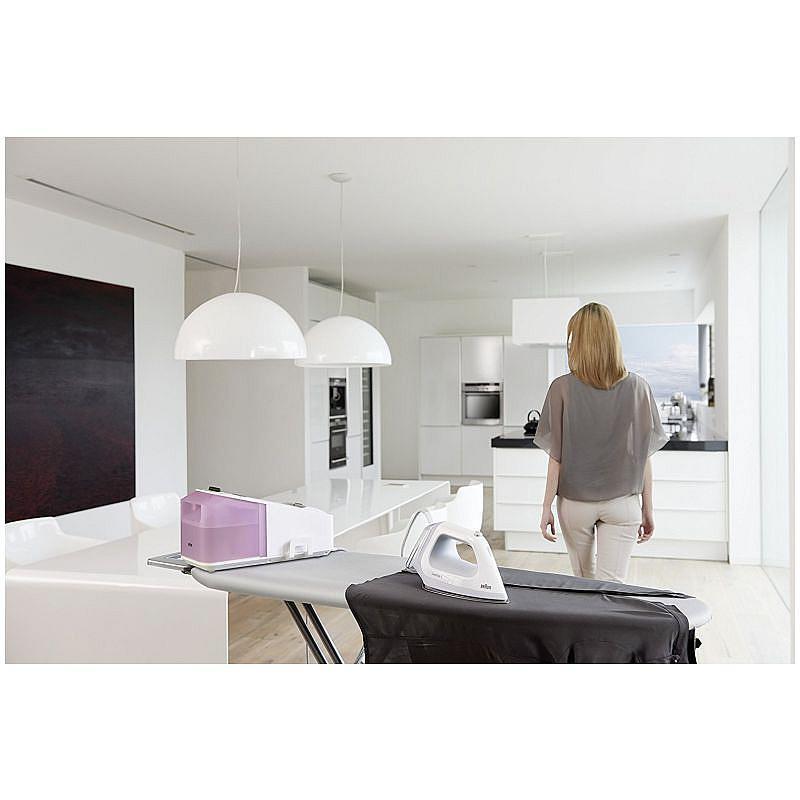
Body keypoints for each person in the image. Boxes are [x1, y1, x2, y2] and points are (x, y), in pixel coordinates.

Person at [534, 302, 668, 582]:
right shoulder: (638, 387)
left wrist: (546, 507)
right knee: (612, 588)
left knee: (584, 583)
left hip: (575, 505)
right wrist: (648, 508)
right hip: (624, 504)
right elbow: (643, 457)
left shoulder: (561, 388)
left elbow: (556, 457)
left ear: (578, 342)